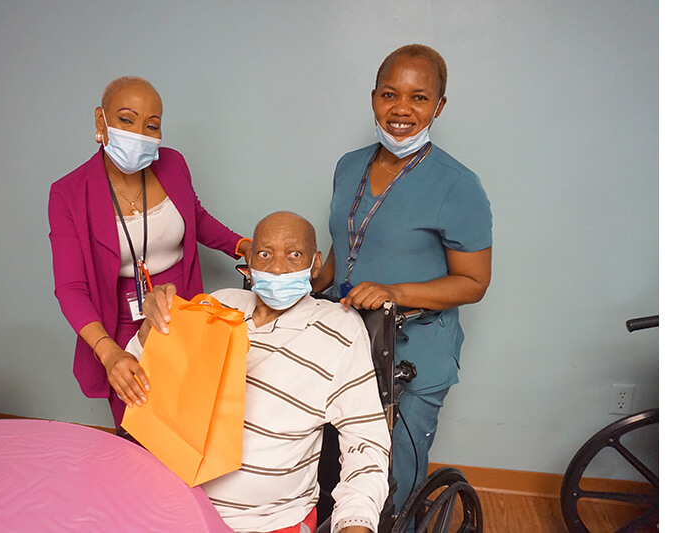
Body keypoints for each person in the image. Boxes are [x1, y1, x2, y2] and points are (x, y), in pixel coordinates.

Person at [125, 212, 390, 533]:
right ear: (249, 262)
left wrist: (356, 520)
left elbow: (366, 442)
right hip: (175, 504)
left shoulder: (339, 329)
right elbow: (141, 378)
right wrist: (152, 327)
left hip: (266, 521)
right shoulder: (220, 304)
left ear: (315, 265)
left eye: (294, 255)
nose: (277, 268)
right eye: (264, 254)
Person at [312, 44, 493, 512]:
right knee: (334, 462)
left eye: (418, 97)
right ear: (374, 97)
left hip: (414, 351)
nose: (401, 109)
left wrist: (394, 292)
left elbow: (473, 282)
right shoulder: (349, 165)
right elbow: (347, 240)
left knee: (394, 473)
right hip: (347, 340)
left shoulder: (457, 184)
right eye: (390, 94)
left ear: (439, 106)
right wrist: (308, 282)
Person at [48, 76, 250, 425]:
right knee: (139, 429)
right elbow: (71, 288)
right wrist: (109, 353)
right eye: (126, 120)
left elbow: (196, 218)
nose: (139, 133)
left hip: (183, 312)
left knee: (194, 422)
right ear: (100, 120)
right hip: (118, 328)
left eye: (151, 125)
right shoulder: (68, 193)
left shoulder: (174, 164)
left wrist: (244, 246)